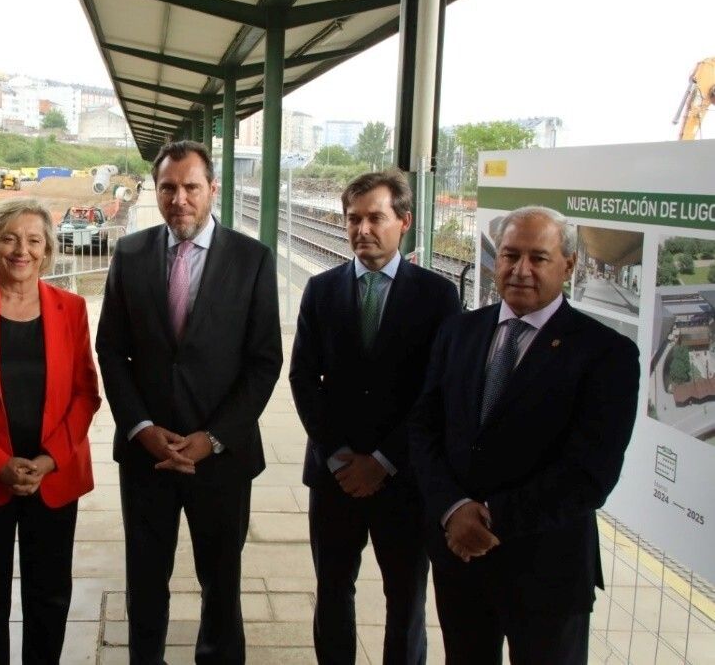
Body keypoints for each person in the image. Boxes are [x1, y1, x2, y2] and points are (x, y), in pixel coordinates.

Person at [410, 206, 639, 664]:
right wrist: (453, 510)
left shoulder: (605, 353)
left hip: (545, 569)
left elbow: (590, 473)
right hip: (461, 562)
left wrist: (489, 520)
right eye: (510, 255)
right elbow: (425, 427)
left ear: (569, 265)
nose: (520, 270)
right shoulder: (461, 331)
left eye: (539, 258)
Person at [96, 140, 283, 664]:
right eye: (168, 187)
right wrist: (140, 426)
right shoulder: (130, 255)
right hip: (146, 454)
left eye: (191, 187)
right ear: (155, 191)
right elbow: (111, 348)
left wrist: (214, 438)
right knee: (146, 580)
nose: (179, 198)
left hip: (220, 458)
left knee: (221, 582)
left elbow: (264, 360)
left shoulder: (252, 259)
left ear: (212, 189)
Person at [290, 170, 460, 665]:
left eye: (375, 217)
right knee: (333, 589)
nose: (363, 228)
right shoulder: (321, 291)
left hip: (405, 481)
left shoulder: (437, 296)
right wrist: (340, 457)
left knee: (405, 598)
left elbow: (437, 393)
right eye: (353, 218)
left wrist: (384, 460)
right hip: (334, 477)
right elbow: (304, 379)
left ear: (403, 221)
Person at [0, 198, 101, 664]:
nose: (20, 250)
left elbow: (85, 395)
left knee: (49, 597)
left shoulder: (70, 308)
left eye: (32, 240)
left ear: (47, 250)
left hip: (53, 477)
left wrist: (48, 460)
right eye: (9, 238)